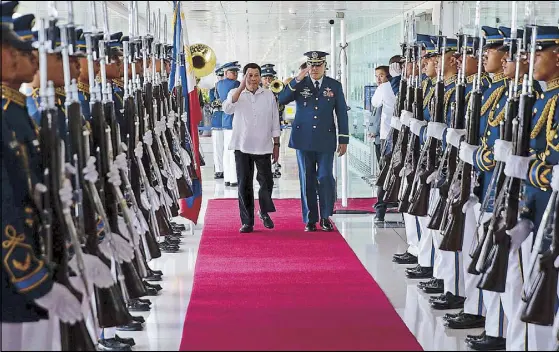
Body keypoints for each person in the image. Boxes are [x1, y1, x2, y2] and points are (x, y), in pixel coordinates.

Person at [278, 51, 349, 232]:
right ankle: (310, 218)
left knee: (325, 177)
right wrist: (296, 80)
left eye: (318, 65)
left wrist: (344, 138)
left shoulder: (334, 85)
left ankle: (325, 216)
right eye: (312, 65)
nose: (315, 68)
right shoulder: (300, 84)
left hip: (325, 139)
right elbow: (282, 98)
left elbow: (341, 112)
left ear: (325, 66)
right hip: (303, 140)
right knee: (307, 179)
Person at [222, 63, 280, 233]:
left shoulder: (269, 95)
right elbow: (227, 109)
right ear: (244, 76)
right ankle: (247, 221)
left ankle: (263, 211)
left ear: (260, 77)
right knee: (244, 184)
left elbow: (275, 121)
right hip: (242, 146)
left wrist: (276, 144)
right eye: (250, 75)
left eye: (256, 75)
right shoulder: (235, 93)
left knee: (267, 182)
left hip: (264, 146)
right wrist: (241, 87)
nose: (253, 79)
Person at [216, 61, 241, 187]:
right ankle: (234, 178)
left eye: (236, 72)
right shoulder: (236, 84)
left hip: (225, 121)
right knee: (234, 151)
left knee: (226, 150)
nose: (236, 74)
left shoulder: (218, 84)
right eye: (233, 72)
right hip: (234, 121)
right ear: (226, 73)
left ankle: (227, 178)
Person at [369, 65, 392, 164]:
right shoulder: (380, 89)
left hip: (383, 135)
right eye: (376, 76)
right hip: (378, 136)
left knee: (384, 166)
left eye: (381, 75)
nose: (378, 79)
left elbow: (377, 111)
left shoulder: (384, 88)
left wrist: (374, 131)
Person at [210, 67, 225, 179]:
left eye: (222, 76)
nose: (221, 78)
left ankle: (229, 169)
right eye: (219, 76)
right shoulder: (213, 90)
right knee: (218, 147)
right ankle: (219, 170)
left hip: (228, 120)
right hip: (218, 120)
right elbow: (212, 103)